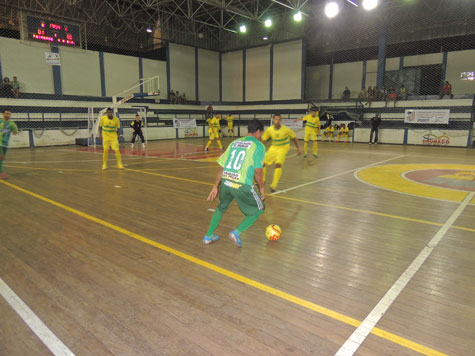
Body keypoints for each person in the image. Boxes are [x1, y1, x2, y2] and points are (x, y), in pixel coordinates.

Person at [203, 119, 266, 247]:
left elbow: (222, 166)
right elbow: (258, 171)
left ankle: (208, 236)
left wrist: (216, 186)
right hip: (242, 185)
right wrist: (262, 188)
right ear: (258, 132)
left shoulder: (235, 142)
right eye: (261, 133)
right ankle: (237, 232)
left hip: (226, 182)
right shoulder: (259, 146)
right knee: (260, 208)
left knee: (221, 208)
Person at [262, 114, 302, 192]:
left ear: (281, 121)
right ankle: (263, 179)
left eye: (279, 119)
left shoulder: (286, 129)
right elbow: (263, 140)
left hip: (283, 148)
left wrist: (298, 148)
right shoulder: (269, 130)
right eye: (276, 119)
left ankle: (274, 185)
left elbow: (294, 138)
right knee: (263, 163)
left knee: (278, 164)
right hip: (273, 147)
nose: (277, 121)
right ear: (273, 120)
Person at [0, 108, 18, 179]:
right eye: (6, 113)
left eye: (9, 114)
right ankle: (2, 174)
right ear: (3, 114)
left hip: (5, 143)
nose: (8, 115)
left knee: (2, 158)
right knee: (1, 157)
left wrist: (14, 131)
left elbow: (15, 132)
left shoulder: (11, 123)